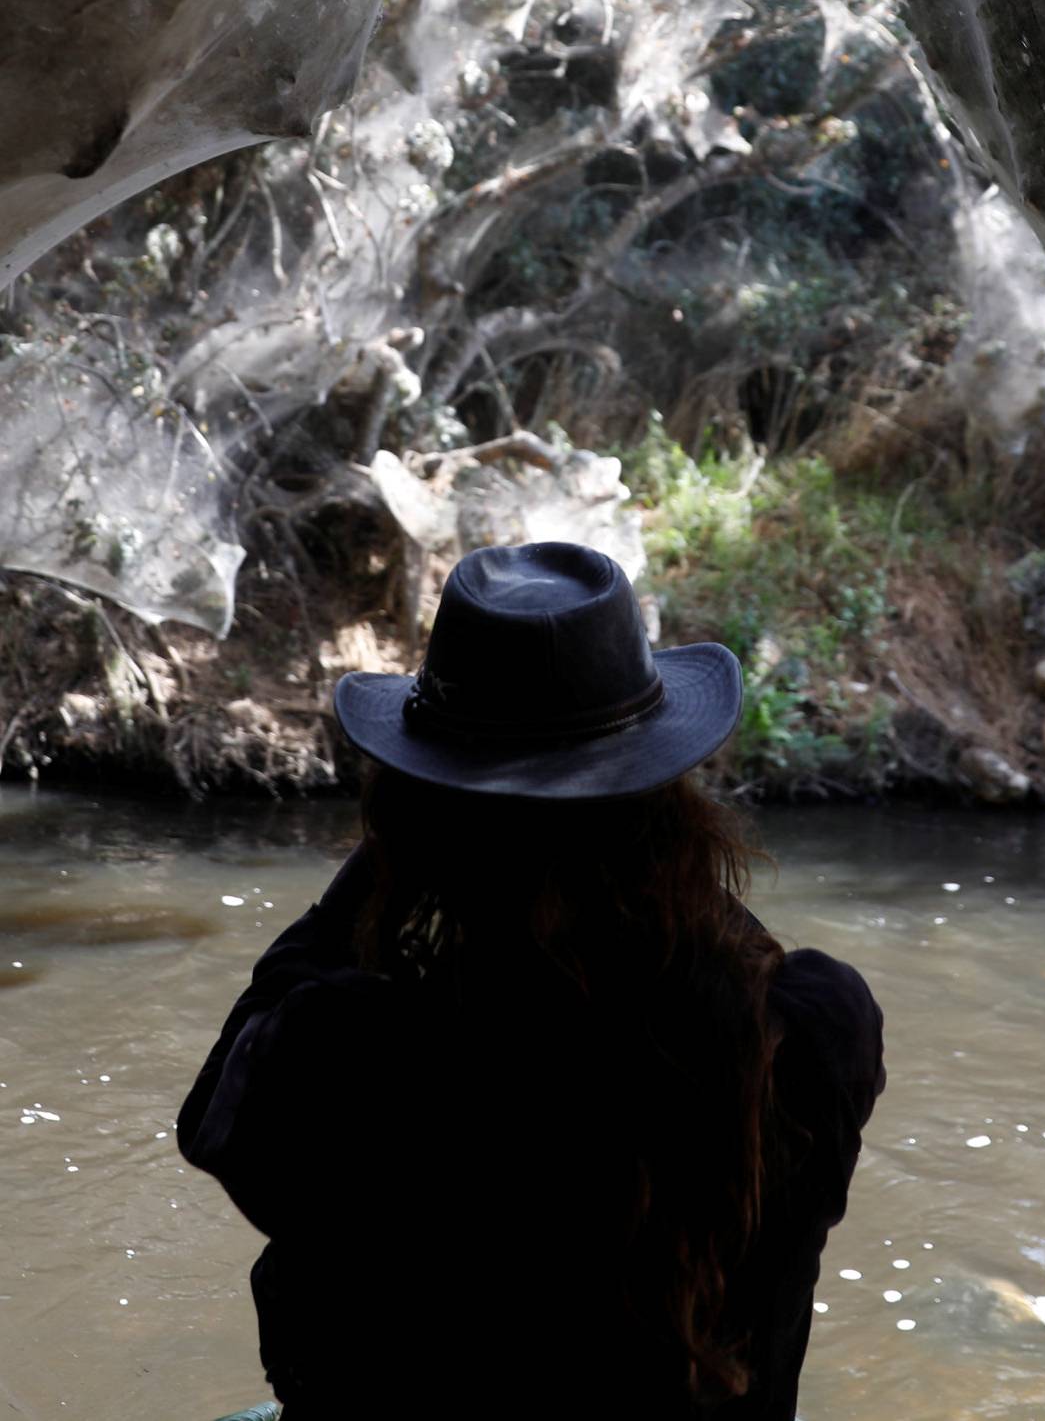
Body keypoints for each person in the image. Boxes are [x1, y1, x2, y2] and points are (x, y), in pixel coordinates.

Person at [178, 539, 886, 1418]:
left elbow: (213, 1117)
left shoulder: (349, 1051)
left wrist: (391, 857)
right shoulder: (802, 1036)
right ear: (669, 805)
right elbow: (720, 958)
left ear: (416, 814)